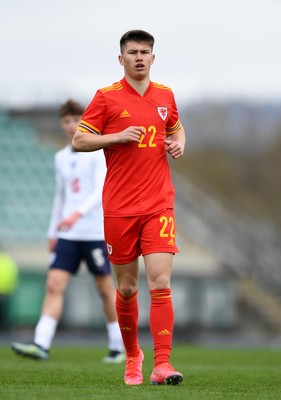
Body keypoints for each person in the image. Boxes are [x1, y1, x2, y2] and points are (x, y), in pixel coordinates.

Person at [72, 30, 186, 385]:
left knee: (160, 279)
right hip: (119, 207)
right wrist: (117, 137)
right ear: (120, 59)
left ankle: (162, 364)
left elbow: (177, 129)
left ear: (153, 58)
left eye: (145, 52)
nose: (139, 57)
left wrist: (179, 143)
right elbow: (79, 139)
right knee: (125, 287)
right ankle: (133, 356)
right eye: (133, 52)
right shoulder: (106, 98)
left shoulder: (165, 95)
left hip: (158, 203)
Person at [11, 99, 124, 363]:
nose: (72, 126)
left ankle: (118, 346)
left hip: (94, 232)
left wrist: (78, 213)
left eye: (76, 120)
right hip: (67, 235)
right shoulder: (60, 157)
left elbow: (101, 190)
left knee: (106, 290)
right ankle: (41, 343)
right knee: (54, 285)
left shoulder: (98, 153)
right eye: (66, 121)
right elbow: (60, 197)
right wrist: (54, 231)